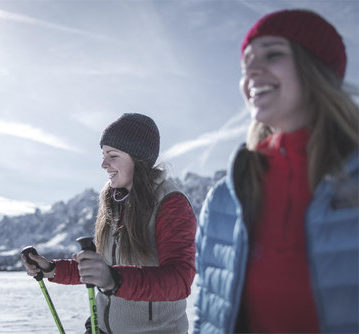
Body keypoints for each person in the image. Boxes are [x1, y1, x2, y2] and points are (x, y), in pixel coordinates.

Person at [194, 9, 358, 334]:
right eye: (245, 64)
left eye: (273, 54)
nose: (251, 71)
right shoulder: (226, 198)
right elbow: (207, 314)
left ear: (316, 68)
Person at [22, 113, 196, 334]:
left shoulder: (170, 203)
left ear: (138, 159)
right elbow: (102, 269)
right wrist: (51, 269)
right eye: (103, 155)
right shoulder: (114, 199)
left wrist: (115, 279)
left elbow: (180, 280)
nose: (104, 164)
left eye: (112, 156)